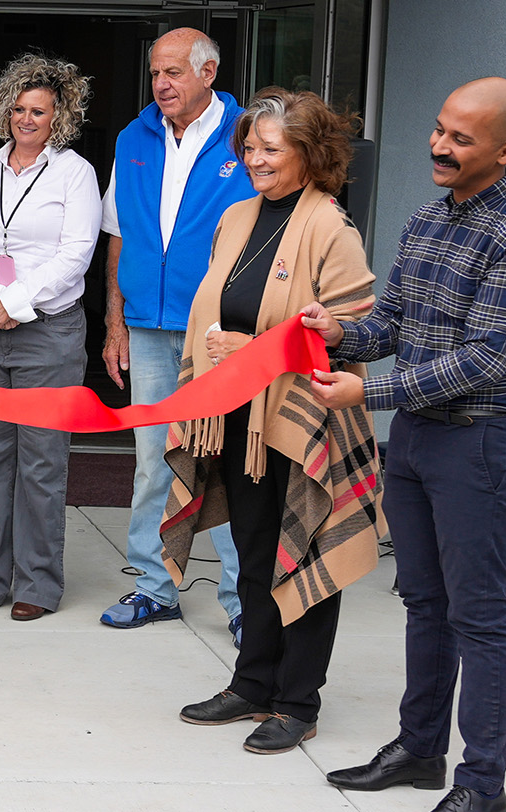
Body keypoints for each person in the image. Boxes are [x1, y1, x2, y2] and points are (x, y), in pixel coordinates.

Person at [306, 77, 506, 812]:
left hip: (482, 445)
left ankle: (482, 788)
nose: (440, 146)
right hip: (417, 438)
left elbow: (486, 358)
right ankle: (420, 751)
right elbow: (395, 329)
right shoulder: (426, 219)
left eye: (462, 138)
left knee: (477, 616)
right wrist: (342, 335)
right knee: (422, 601)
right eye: (440, 129)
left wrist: (368, 393)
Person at [160, 88, 383, 757]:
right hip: (236, 417)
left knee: (303, 551)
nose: (255, 158)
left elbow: (353, 332)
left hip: (302, 421)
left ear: (309, 155)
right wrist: (223, 352)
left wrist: (254, 346)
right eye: (249, 147)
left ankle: (297, 701)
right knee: (255, 553)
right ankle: (253, 682)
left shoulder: (330, 228)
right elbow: (213, 309)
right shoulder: (236, 218)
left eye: (270, 149)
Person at [97, 28, 253, 640]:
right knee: (152, 461)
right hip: (147, 324)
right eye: (156, 73)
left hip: (220, 330)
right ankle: (153, 586)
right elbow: (118, 232)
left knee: (231, 463)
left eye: (174, 73)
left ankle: (243, 602)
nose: (161, 84)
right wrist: (115, 319)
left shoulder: (248, 136)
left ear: (208, 72)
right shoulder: (133, 136)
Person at [0, 53, 101, 622]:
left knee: (40, 462)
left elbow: (76, 253)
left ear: (59, 116)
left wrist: (13, 302)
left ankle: (37, 582)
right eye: (18, 108)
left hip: (49, 334)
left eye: (38, 110)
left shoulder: (74, 172)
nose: (26, 118)